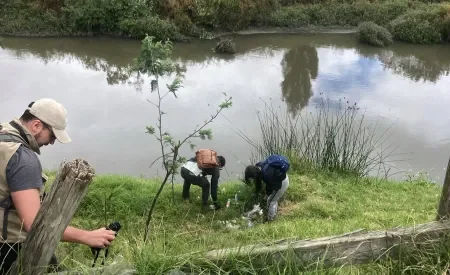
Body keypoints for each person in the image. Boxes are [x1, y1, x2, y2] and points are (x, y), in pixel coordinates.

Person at [0, 99, 116, 274]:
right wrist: (88, 236)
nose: (52, 143)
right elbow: (34, 224)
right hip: (8, 248)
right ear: (37, 125)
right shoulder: (22, 159)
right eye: (52, 135)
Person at [244, 154, 290, 222]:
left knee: (270, 201)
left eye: (252, 178)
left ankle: (271, 220)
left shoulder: (266, 174)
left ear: (254, 176)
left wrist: (267, 195)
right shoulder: (259, 166)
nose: (252, 180)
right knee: (273, 199)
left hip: (282, 183)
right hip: (282, 178)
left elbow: (271, 187)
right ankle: (274, 214)